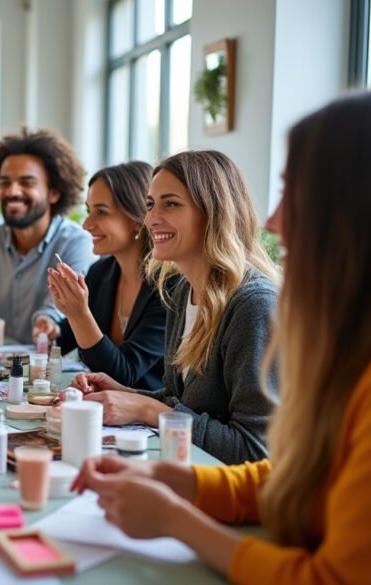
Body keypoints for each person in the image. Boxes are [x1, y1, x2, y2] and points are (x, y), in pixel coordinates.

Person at [72, 91, 371, 584]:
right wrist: (171, 476)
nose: (274, 221)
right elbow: (293, 478)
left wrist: (175, 514)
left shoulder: (257, 304)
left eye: (295, 195)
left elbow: (260, 455)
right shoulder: (180, 290)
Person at [71, 150, 278, 465]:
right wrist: (127, 393)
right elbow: (177, 401)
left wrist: (148, 410)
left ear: (213, 212)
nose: (152, 219)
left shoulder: (254, 305)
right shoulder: (184, 291)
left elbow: (254, 450)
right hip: (188, 476)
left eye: (171, 204)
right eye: (151, 204)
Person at [0, 127, 97, 344]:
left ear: (54, 192)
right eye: (4, 183)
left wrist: (46, 321)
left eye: (26, 183)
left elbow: (56, 307)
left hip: (55, 368)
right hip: (0, 367)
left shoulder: (77, 242)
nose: (12, 192)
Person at [37, 161, 167, 390]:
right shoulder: (102, 272)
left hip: (149, 420)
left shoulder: (168, 288)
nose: (87, 224)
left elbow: (123, 375)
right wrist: (51, 330)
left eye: (101, 212)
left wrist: (79, 314)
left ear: (137, 219)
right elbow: (69, 338)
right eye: (89, 211)